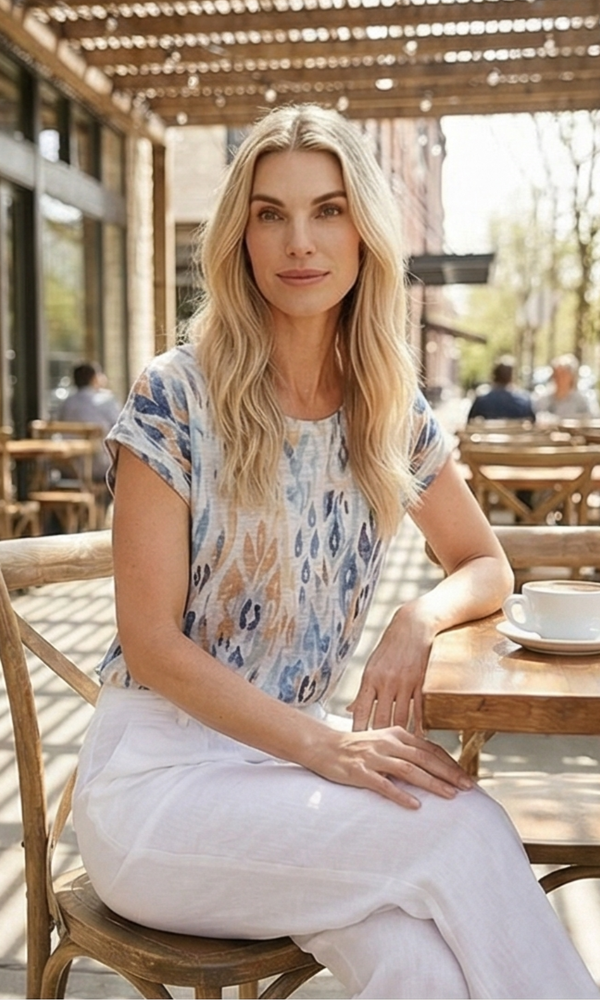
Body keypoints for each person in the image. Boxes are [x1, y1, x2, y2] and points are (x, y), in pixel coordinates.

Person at [72, 105, 599, 1000]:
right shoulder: (177, 394)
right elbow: (151, 643)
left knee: (417, 967)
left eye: (328, 209)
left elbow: (484, 565)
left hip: (289, 782)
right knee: (462, 829)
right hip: (160, 788)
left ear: (365, 233)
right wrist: (324, 748)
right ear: (241, 236)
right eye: (271, 213)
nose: (299, 241)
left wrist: (415, 617)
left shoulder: (387, 406)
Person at [57, 360, 121, 480]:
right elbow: (120, 429)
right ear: (94, 378)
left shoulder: (67, 403)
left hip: (69, 465)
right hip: (100, 465)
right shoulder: (106, 401)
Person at [467, 356, 536, 423]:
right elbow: (532, 423)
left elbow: (470, 422)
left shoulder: (481, 400)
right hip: (517, 434)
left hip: (488, 434)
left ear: (494, 376)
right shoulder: (524, 401)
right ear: (512, 377)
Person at [534, 353, 599, 420]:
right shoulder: (543, 399)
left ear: (572, 377)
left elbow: (594, 418)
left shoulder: (584, 399)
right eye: (556, 374)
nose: (558, 379)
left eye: (563, 375)